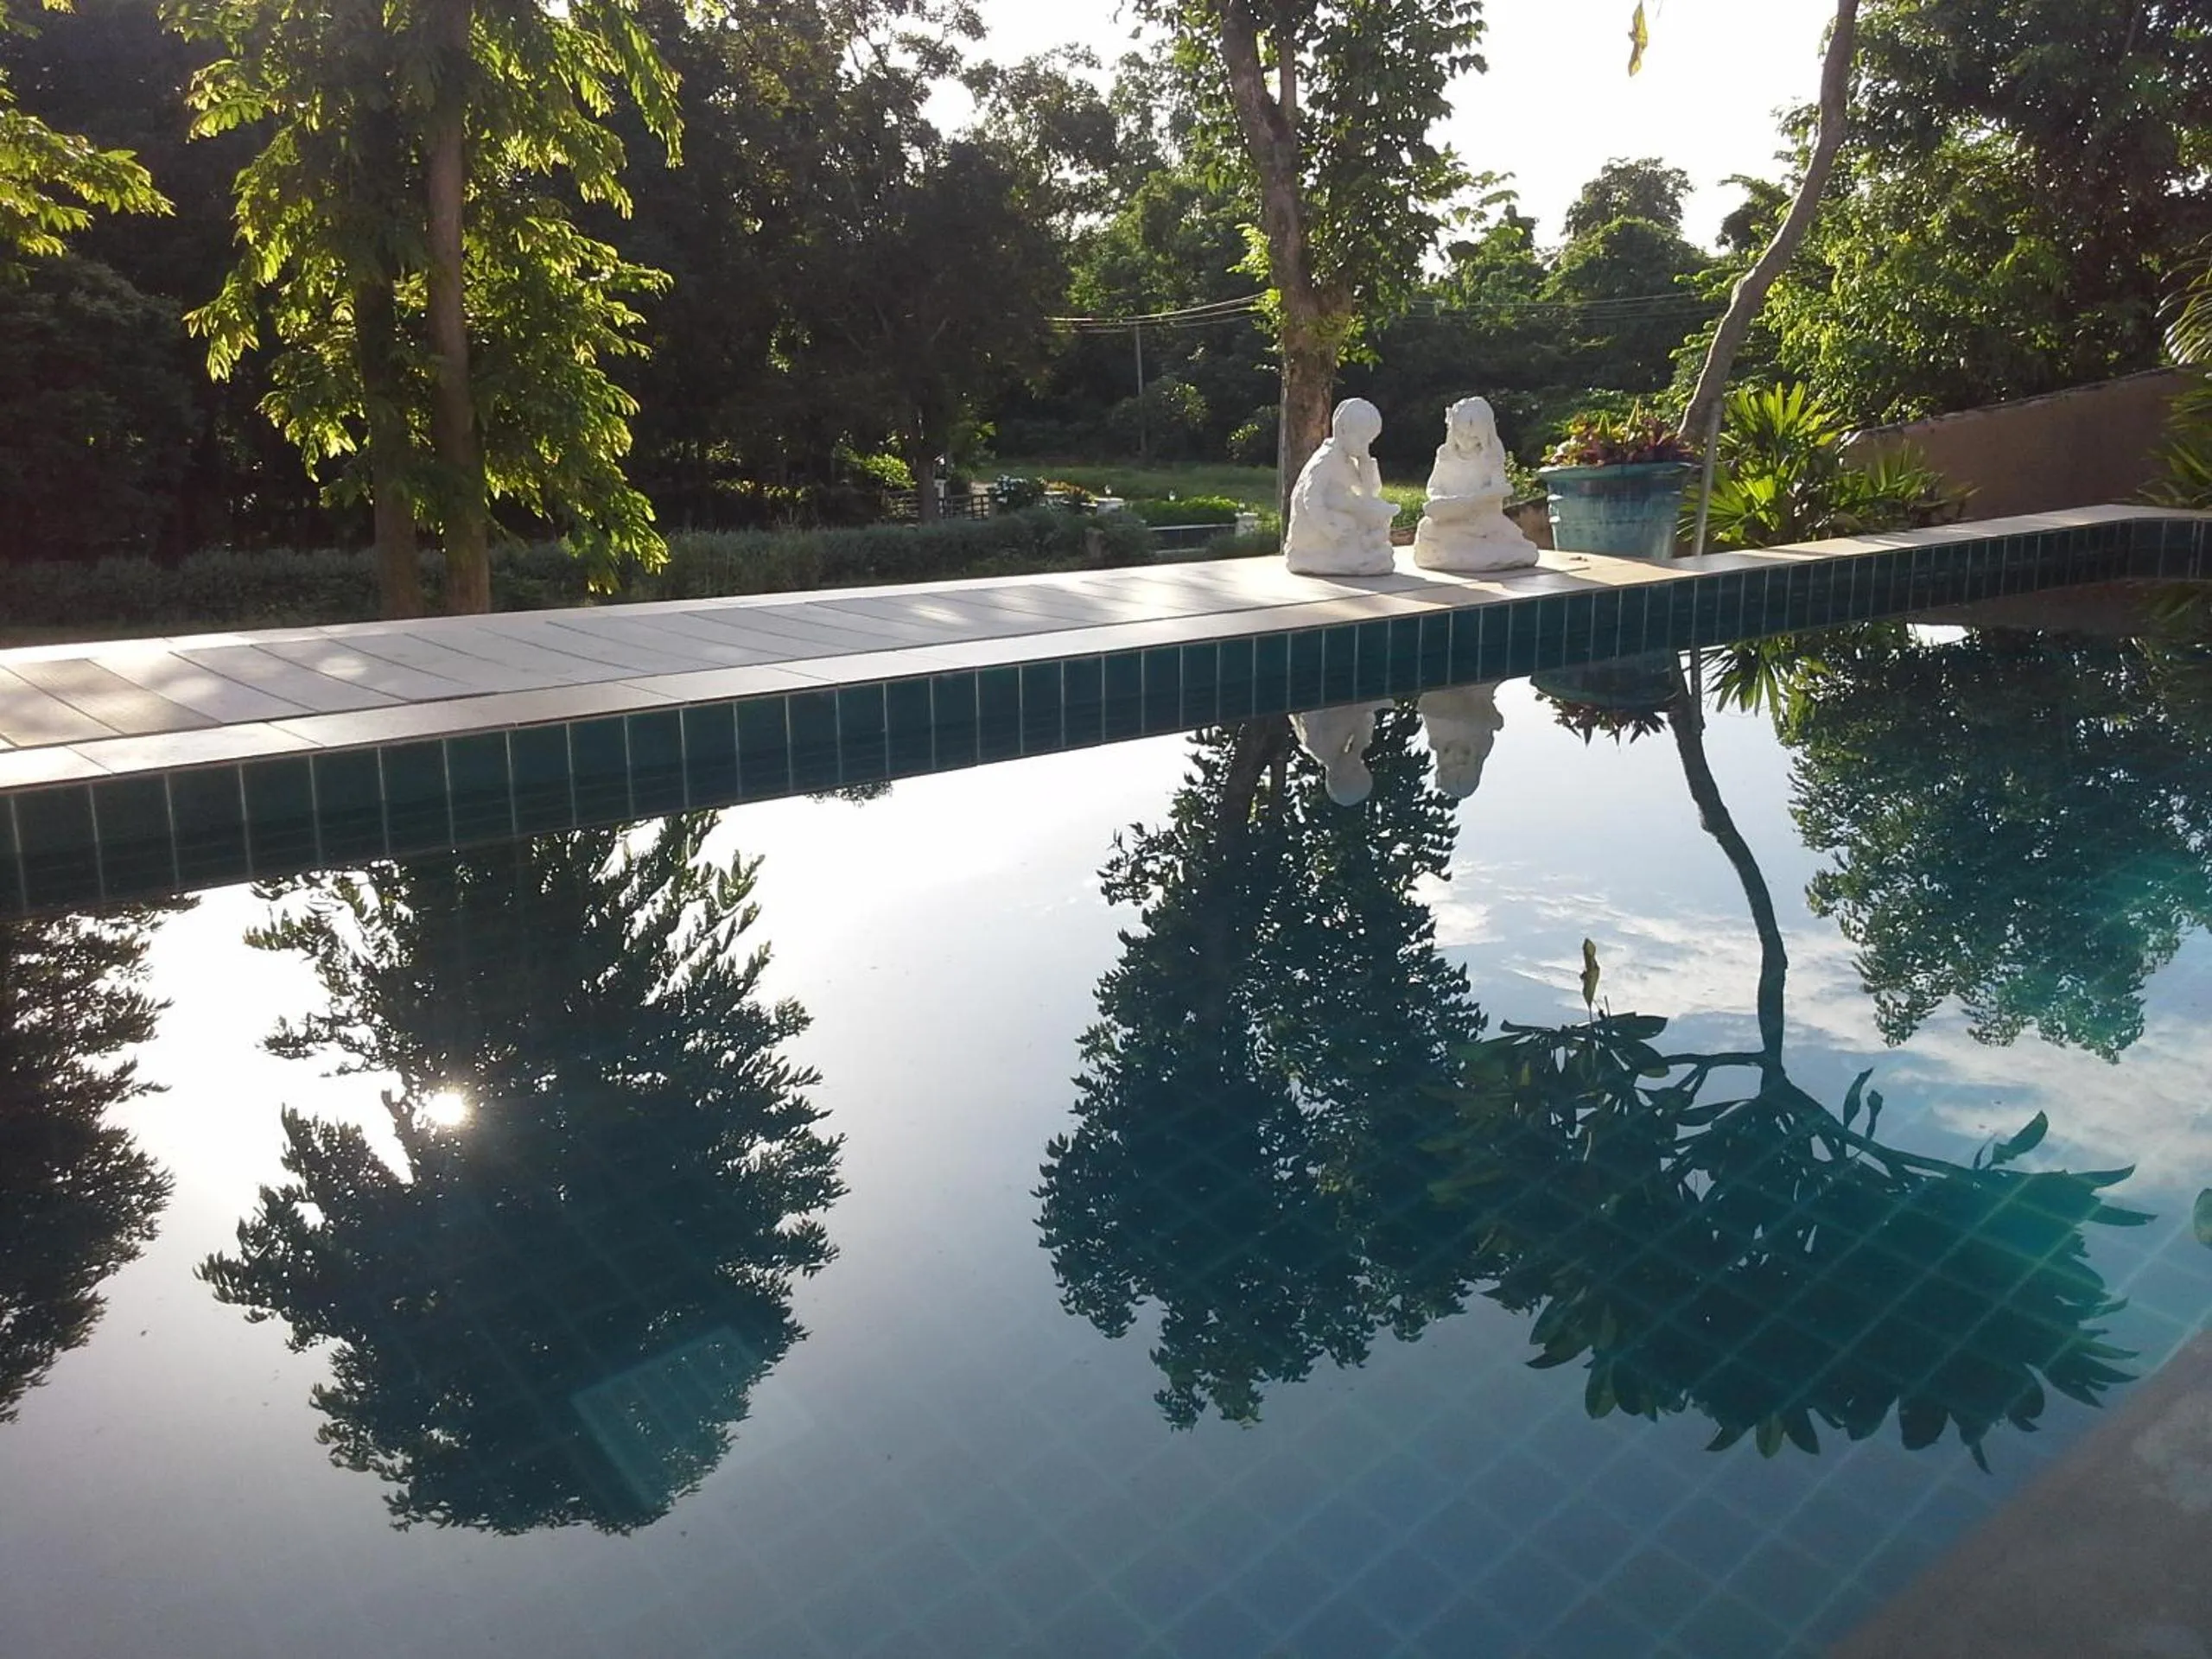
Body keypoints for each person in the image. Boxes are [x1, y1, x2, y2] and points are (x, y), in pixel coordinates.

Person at [1414, 397, 1539, 574]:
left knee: (1484, 536)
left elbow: (1499, 491)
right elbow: (1434, 486)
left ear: (1484, 434)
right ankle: (1457, 554)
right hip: (1449, 516)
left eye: (1473, 437)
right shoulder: (1445, 454)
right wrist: (1440, 501)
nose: (1465, 441)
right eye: (1460, 434)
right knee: (1427, 527)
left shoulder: (1491, 456)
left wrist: (1478, 500)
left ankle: (1475, 554)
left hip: (1481, 518)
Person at [1283, 398, 1399, 575]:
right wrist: (1329, 529)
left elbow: (1370, 492)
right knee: (1352, 523)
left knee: (1377, 510)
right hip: (1315, 526)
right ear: (1342, 430)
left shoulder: (1347, 460)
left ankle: (1369, 545)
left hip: (1334, 516)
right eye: (1362, 440)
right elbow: (1311, 498)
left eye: (1369, 442)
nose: (1365, 446)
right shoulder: (1326, 460)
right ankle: (1355, 552)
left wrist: (1366, 461)